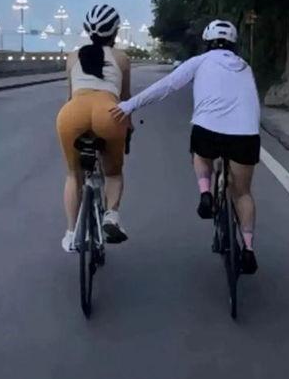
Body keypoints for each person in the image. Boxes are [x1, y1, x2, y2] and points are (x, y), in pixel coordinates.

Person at [110, 20, 260, 274]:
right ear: (234, 45)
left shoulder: (199, 62)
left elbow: (166, 86)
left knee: (200, 155)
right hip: (245, 134)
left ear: (207, 42)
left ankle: (205, 193)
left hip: (208, 130)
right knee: (243, 193)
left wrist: (129, 105)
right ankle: (248, 249)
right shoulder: (245, 67)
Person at [56, 4, 131, 253]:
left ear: (87, 30)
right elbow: (126, 99)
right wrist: (128, 127)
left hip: (72, 114)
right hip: (109, 114)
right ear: (115, 31)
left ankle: (71, 233)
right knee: (113, 173)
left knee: (73, 175)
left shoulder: (72, 57)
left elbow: (70, 96)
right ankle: (111, 216)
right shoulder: (121, 58)